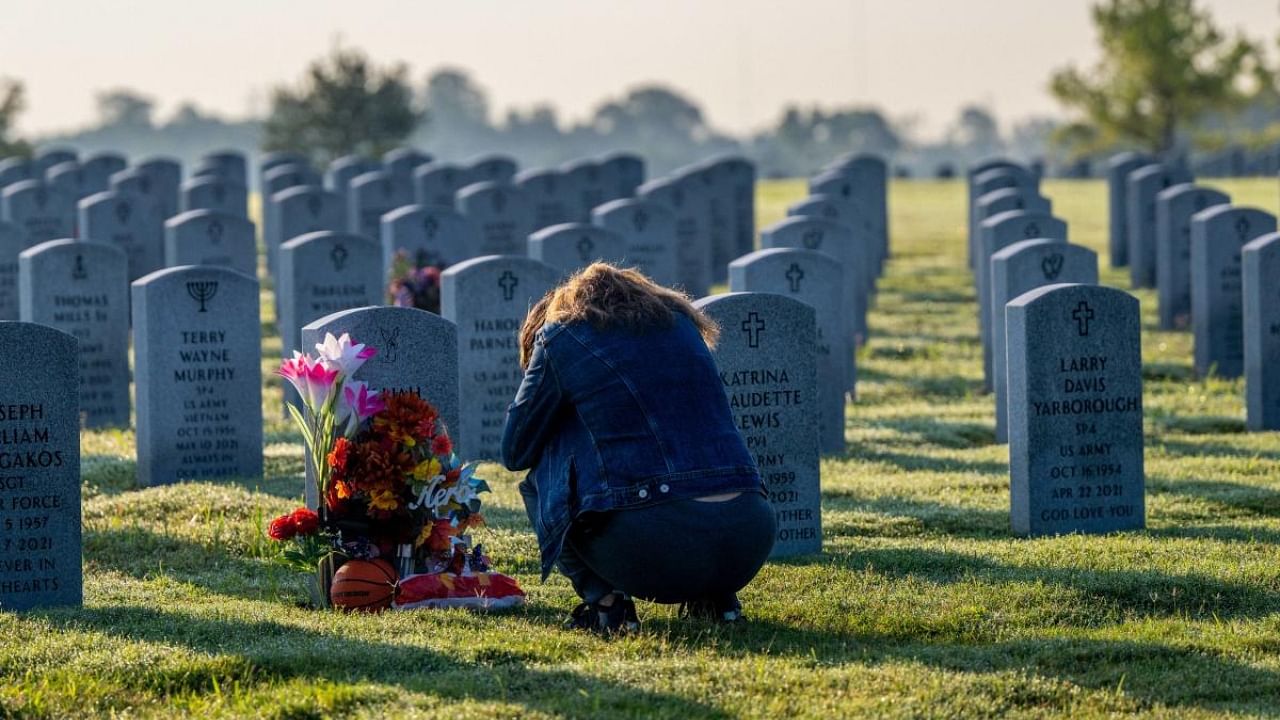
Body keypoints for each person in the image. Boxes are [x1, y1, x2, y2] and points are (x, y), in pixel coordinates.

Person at [502, 263, 776, 634]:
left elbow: (516, 450)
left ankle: (607, 608)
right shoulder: (682, 324)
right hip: (750, 536)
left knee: (550, 451)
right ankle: (717, 599)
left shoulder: (563, 334)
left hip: (655, 545)